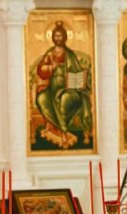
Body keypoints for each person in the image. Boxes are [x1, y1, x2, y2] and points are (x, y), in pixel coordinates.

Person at [33, 21, 92, 149]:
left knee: (65, 99)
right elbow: (40, 70)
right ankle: (57, 129)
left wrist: (80, 80)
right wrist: (51, 67)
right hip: (52, 89)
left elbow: (77, 72)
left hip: (69, 89)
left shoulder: (70, 55)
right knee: (42, 98)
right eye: (56, 36)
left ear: (65, 37)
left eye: (60, 36)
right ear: (52, 38)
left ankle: (62, 131)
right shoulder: (50, 54)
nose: (58, 38)